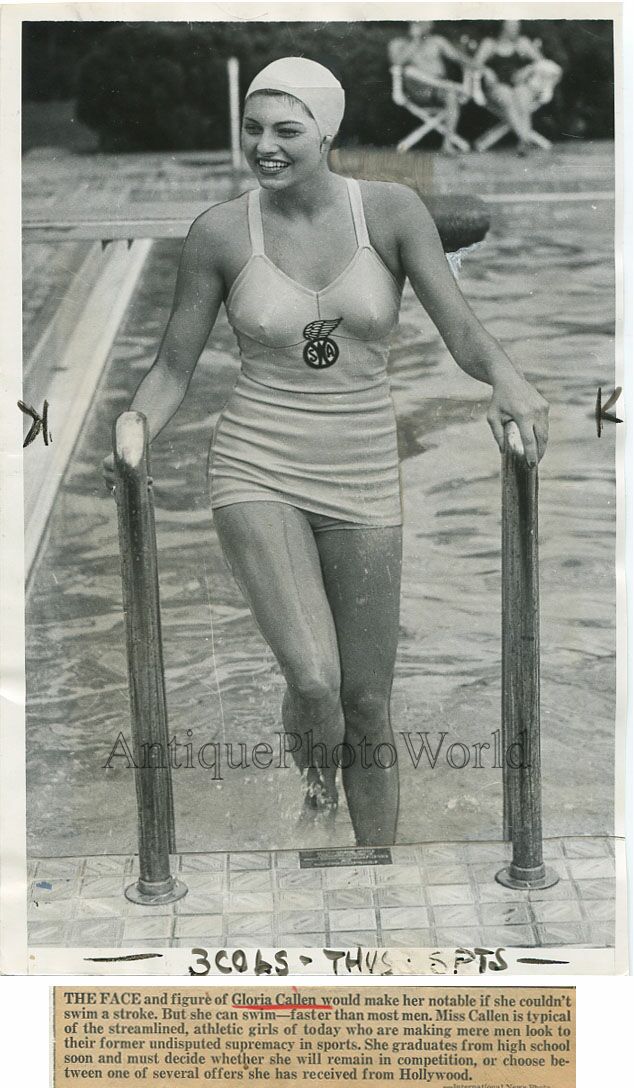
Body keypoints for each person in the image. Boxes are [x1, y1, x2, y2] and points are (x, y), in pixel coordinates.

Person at [103, 57, 549, 847]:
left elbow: (463, 330)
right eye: (253, 129)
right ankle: (317, 799)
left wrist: (506, 378)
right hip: (257, 466)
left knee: (368, 700)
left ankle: (375, 862)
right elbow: (173, 366)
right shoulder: (219, 232)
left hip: (365, 474)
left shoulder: (391, 212)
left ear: (329, 130)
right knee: (316, 679)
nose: (265, 147)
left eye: (286, 129)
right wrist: (135, 428)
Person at [474, 20, 563, 155]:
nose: (516, 30)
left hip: (520, 84)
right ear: (502, 27)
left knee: (522, 98)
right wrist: (486, 70)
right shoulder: (490, 44)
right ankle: (524, 139)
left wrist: (528, 68)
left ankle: (523, 142)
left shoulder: (522, 43)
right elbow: (474, 64)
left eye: (517, 27)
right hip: (497, 85)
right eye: (512, 27)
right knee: (507, 97)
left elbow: (543, 63)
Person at [388, 21, 475, 154]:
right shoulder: (398, 43)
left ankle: (447, 144)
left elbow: (458, 58)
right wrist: (415, 40)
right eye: (421, 23)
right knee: (409, 71)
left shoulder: (438, 41)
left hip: (439, 89)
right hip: (418, 90)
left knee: (451, 95)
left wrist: (475, 64)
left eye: (428, 23)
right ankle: (450, 86)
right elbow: (397, 63)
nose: (425, 26)